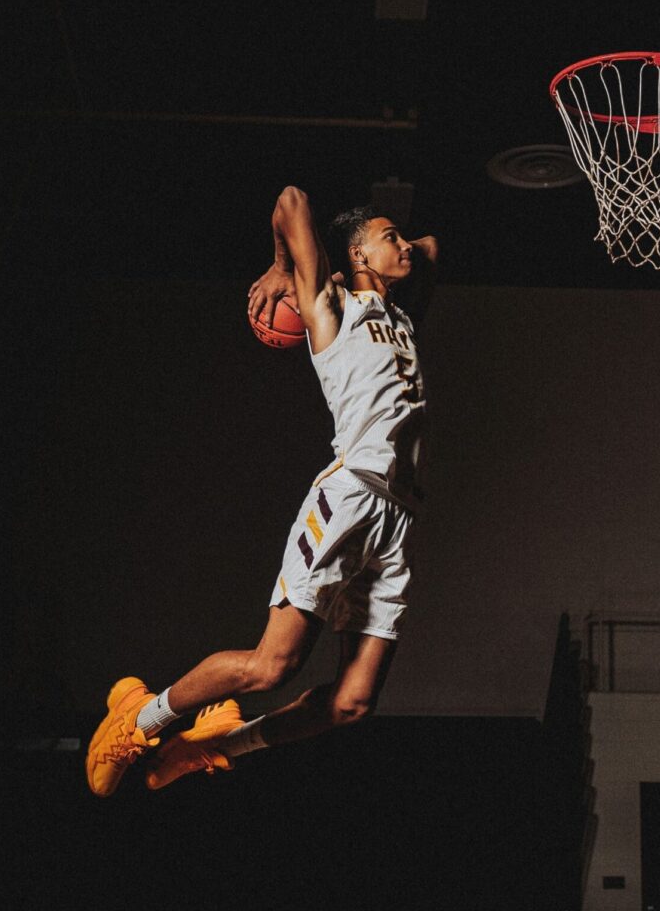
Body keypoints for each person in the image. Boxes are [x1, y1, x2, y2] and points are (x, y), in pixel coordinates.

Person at [85, 186, 438, 796]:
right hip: (349, 497)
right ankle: (139, 719)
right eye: (390, 238)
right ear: (354, 255)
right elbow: (292, 199)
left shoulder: (402, 317)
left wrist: (395, 244)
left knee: (353, 704)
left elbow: (430, 248)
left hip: (399, 518)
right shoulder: (329, 306)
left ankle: (214, 744)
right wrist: (284, 266)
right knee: (271, 667)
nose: (405, 245)